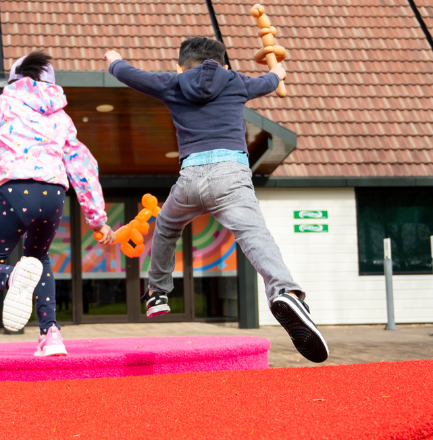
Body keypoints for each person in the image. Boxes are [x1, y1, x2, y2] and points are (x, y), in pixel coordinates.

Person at [104, 36, 329, 364]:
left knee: (166, 225)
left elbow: (131, 75)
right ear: (223, 64)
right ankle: (285, 291)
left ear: (179, 67)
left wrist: (114, 60)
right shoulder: (235, 80)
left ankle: (157, 293)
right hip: (230, 174)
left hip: (190, 178)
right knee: (253, 234)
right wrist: (278, 72)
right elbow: (267, 82)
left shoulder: (173, 82)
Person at [0, 50, 115, 357]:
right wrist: (98, 219)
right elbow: (84, 165)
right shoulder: (62, 118)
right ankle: (51, 335)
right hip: (54, 197)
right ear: (51, 83)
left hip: (16, 192)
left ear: (14, 79)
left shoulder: (2, 104)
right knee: (39, 258)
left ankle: (12, 276)